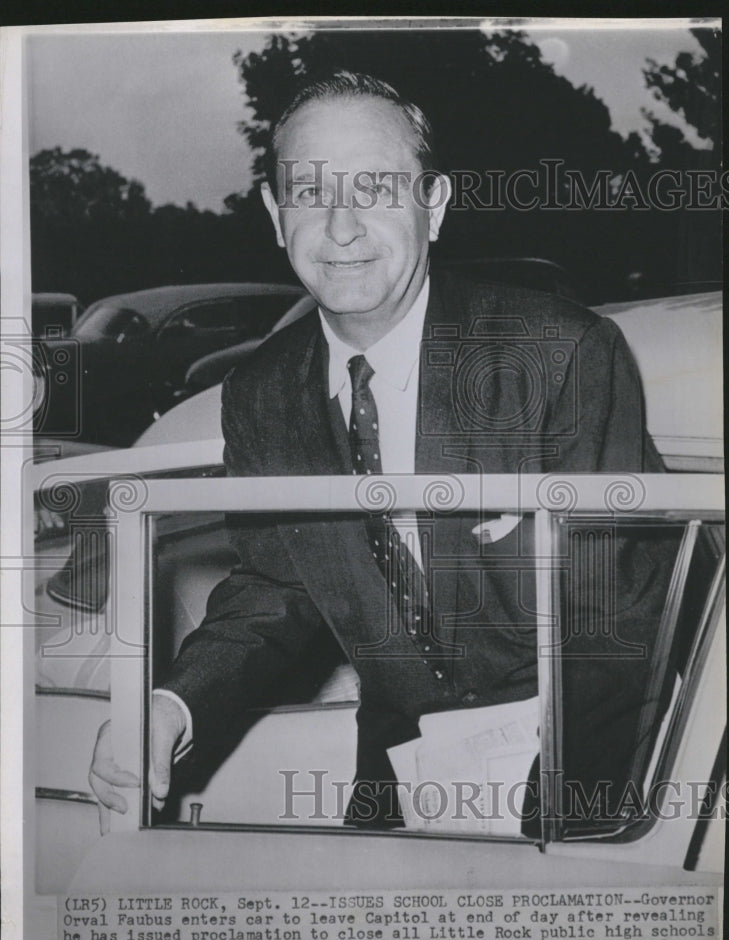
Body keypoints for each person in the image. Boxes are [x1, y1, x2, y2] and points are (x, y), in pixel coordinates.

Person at [90, 71, 672, 833]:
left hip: (580, 759)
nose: (340, 228)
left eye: (374, 188)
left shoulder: (560, 352)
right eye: (308, 192)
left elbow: (616, 617)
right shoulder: (261, 393)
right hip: (396, 773)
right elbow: (275, 587)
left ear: (432, 205)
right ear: (274, 213)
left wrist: (551, 820)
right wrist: (169, 706)